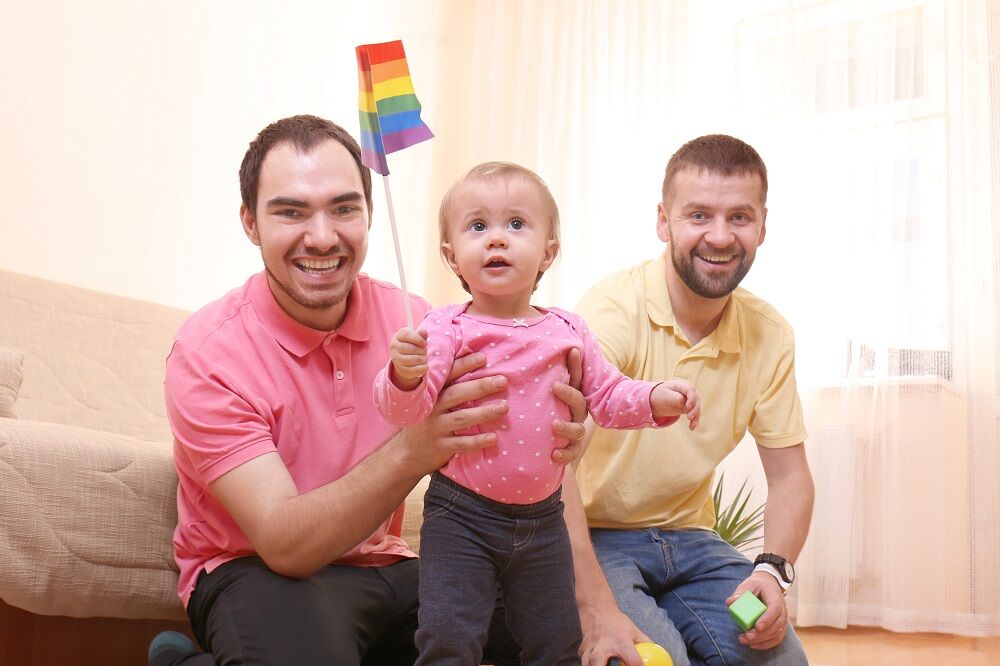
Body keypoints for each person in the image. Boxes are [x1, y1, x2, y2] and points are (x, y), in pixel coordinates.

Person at [149, 116, 590, 666]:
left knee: (547, 646)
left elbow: (529, 449)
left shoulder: (422, 325)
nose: (322, 236)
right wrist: (414, 448)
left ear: (370, 214)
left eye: (343, 208)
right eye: (290, 211)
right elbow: (286, 545)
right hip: (258, 571)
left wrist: (565, 441)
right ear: (250, 223)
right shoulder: (206, 353)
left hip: (391, 564)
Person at [372, 162, 702, 666]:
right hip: (461, 515)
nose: (497, 240)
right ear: (451, 255)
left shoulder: (568, 329)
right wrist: (405, 374)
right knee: (449, 638)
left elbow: (609, 396)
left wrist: (657, 397)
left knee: (556, 641)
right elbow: (407, 411)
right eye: (478, 227)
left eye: (516, 225)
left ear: (549, 251)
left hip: (546, 521)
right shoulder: (443, 329)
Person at [564, 134, 815, 666]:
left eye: (740, 218)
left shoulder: (770, 333)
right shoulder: (611, 311)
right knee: (654, 660)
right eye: (698, 215)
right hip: (596, 536)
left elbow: (791, 476)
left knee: (782, 661)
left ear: (763, 226)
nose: (720, 237)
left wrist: (772, 570)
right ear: (664, 221)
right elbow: (554, 463)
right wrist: (592, 603)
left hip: (693, 542)